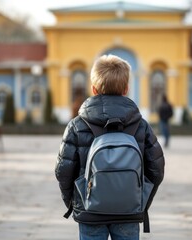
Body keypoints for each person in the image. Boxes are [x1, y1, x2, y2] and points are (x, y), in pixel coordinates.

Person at [55, 55, 165, 240]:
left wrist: (76, 201)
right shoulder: (141, 125)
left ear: (94, 88)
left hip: (91, 212)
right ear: (126, 89)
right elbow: (157, 169)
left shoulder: (77, 125)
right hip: (128, 211)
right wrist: (141, 201)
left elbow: (63, 171)